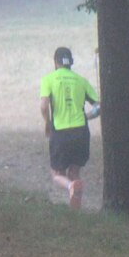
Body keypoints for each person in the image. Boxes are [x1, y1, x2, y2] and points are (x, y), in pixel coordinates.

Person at [39, 47, 100, 210]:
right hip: (81, 131)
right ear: (71, 63)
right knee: (74, 172)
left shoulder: (48, 79)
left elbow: (44, 106)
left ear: (55, 62)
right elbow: (99, 107)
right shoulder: (81, 81)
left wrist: (47, 123)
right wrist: (86, 116)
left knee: (57, 174)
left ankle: (70, 187)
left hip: (60, 132)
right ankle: (75, 207)